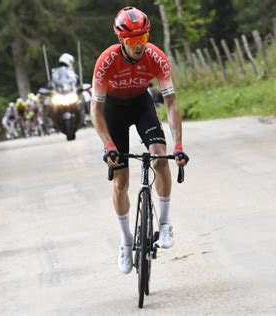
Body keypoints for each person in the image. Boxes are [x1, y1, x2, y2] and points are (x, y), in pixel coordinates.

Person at [90, 6, 189, 274]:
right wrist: (108, 144)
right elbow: (95, 111)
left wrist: (177, 145)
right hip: (113, 110)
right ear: (122, 39)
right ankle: (125, 242)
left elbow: (170, 104)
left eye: (143, 39)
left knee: (160, 156)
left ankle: (165, 223)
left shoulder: (156, 57)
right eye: (133, 40)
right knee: (121, 181)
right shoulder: (107, 61)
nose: (139, 46)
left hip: (141, 105)